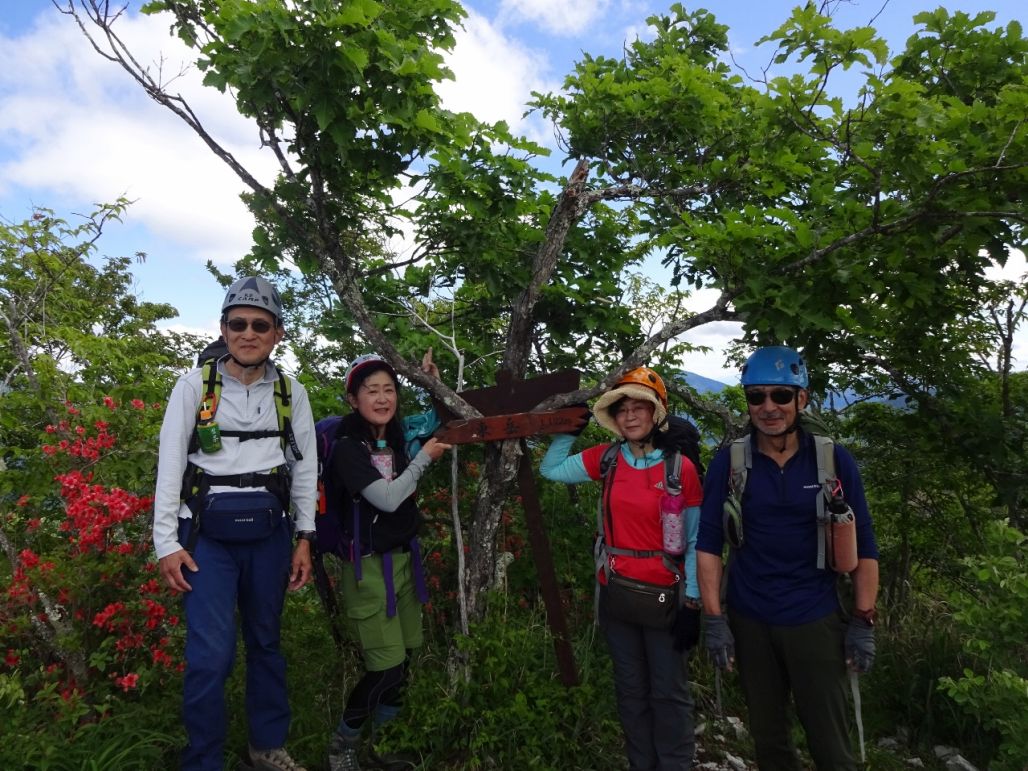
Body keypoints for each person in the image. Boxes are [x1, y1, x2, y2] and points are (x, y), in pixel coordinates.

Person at [153, 276, 317, 771]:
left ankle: (266, 747)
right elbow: (169, 465)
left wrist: (305, 537)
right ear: (223, 330)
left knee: (266, 641)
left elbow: (305, 468)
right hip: (204, 536)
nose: (248, 333)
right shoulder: (193, 386)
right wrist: (165, 543)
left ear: (277, 333)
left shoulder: (291, 393)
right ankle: (203, 759)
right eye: (238, 323)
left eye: (259, 325)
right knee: (210, 654)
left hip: (269, 534)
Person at [696, 346, 880, 771]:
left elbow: (865, 545)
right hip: (750, 616)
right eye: (756, 397)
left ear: (802, 398)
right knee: (769, 741)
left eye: (781, 395)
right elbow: (708, 542)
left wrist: (862, 620)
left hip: (814, 617)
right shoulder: (732, 460)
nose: (768, 407)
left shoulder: (832, 460)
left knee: (830, 744)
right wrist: (715, 619)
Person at [540, 367, 704, 771]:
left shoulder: (680, 469)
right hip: (618, 597)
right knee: (630, 692)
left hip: (668, 598)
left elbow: (697, 539)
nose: (630, 417)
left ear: (655, 414)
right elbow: (551, 469)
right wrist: (568, 430)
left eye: (639, 408)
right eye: (623, 409)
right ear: (614, 417)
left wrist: (695, 603)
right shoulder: (607, 459)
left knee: (669, 693)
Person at [327, 351, 451, 771]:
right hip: (367, 570)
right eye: (371, 391)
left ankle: (387, 744)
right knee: (385, 667)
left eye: (388, 389)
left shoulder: (397, 437)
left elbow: (444, 421)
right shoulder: (347, 448)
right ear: (352, 399)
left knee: (406, 661)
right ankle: (343, 745)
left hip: (403, 562)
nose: (382, 398)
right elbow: (386, 496)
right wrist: (424, 461)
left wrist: (432, 384)